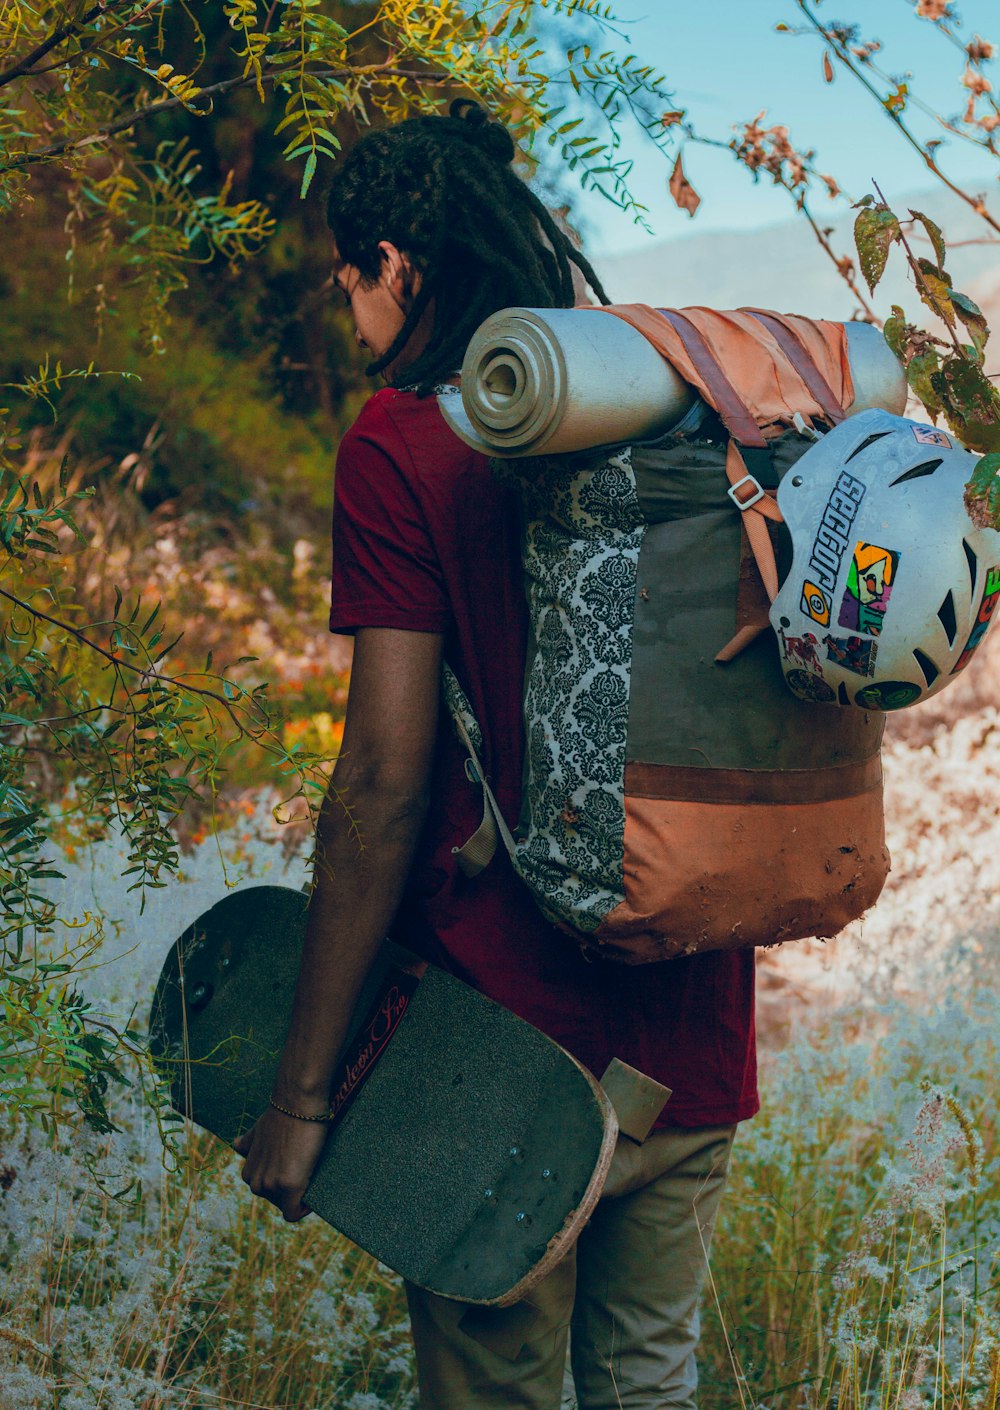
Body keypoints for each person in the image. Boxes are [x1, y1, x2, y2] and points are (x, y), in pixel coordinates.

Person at [234, 99, 758, 1410]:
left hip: (502, 1060)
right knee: (652, 1385)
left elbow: (381, 787)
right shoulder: (656, 415)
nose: (347, 303)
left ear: (399, 264)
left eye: (350, 271)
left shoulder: (401, 444)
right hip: (692, 1028)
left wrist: (305, 1093)